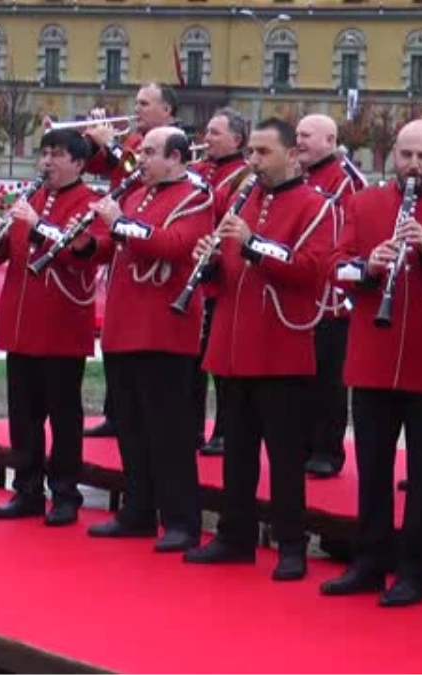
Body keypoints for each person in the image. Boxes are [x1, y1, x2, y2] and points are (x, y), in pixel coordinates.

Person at [318, 120, 422, 605]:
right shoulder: (365, 202)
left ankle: (414, 571)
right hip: (373, 357)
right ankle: (369, 562)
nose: (413, 165)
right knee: (372, 468)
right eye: (405, 155)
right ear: (393, 156)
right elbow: (335, 266)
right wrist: (368, 267)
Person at [182, 117, 333, 581]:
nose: (254, 163)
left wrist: (252, 246)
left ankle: (291, 543)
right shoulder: (241, 198)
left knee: (285, 456)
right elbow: (228, 275)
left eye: (264, 154)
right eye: (251, 153)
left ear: (292, 154)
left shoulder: (315, 206)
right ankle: (235, 535)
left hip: (280, 346)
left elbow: (311, 270)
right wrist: (207, 268)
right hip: (232, 343)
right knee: (238, 451)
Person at [83, 127, 214, 552]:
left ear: (177, 159)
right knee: (132, 428)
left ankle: (181, 520)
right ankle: (138, 510)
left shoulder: (196, 198)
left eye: (151, 153)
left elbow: (175, 246)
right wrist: (86, 243)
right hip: (124, 324)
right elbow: (114, 247)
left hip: (163, 330)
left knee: (170, 433)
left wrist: (119, 224)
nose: (141, 160)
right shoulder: (136, 194)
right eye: (142, 152)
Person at [0, 129, 103, 527]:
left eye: (57, 154)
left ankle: (66, 493)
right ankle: (28, 489)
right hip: (20, 323)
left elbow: (84, 255)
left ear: (79, 162)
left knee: (63, 416)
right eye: (45, 153)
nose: (47, 161)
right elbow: (12, 254)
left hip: (61, 325)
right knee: (24, 415)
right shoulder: (32, 197)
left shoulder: (89, 203)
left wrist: (35, 225)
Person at [81, 83, 182, 439]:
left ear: (167, 110)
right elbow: (96, 165)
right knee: (115, 330)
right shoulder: (136, 143)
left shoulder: (172, 146)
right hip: (120, 234)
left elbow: (133, 171)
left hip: (143, 240)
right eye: (136, 102)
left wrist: (112, 144)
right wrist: (89, 141)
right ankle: (115, 411)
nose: (135, 109)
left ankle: (127, 416)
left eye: (144, 103)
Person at [295, 113, 365, 478]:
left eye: (306, 135)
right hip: (302, 288)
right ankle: (303, 443)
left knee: (328, 376)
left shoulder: (347, 179)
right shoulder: (299, 174)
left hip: (333, 293)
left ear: (329, 139)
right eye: (297, 135)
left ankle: (327, 449)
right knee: (302, 374)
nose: (300, 141)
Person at [187, 107, 250, 457]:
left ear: (235, 140)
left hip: (219, 275)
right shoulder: (202, 171)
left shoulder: (240, 177)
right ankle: (192, 427)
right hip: (195, 271)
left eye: (214, 133)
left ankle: (225, 430)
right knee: (195, 361)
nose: (205, 139)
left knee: (219, 361)